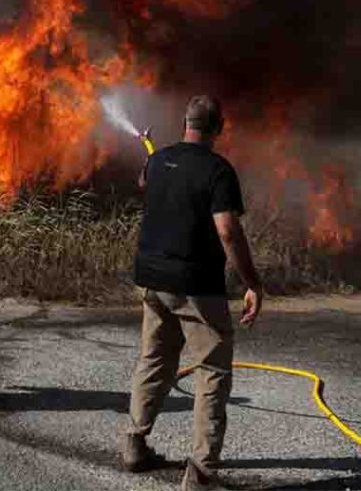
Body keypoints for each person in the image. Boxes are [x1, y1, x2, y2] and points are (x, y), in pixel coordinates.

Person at [122, 95, 263, 490]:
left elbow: (144, 183)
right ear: (219, 127)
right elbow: (227, 231)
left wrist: (154, 156)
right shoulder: (218, 172)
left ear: (185, 122)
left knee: (153, 359)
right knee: (213, 370)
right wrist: (253, 282)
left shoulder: (158, 160)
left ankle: (134, 443)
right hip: (196, 287)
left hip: (152, 280)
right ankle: (200, 473)